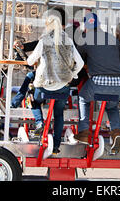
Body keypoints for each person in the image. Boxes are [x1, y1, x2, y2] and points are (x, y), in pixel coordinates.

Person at [26, 11, 84, 154]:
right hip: (63, 86)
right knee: (59, 115)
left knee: (32, 99)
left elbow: (30, 61)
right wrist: (73, 74)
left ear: (48, 26)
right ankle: (56, 147)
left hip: (45, 87)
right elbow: (80, 63)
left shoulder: (44, 40)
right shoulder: (69, 40)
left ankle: (39, 122)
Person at [75, 13, 120, 155]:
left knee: (83, 98)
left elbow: (78, 59)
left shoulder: (85, 39)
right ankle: (116, 133)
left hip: (99, 81)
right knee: (112, 106)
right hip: (118, 83)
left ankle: (84, 131)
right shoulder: (112, 38)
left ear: (86, 26)